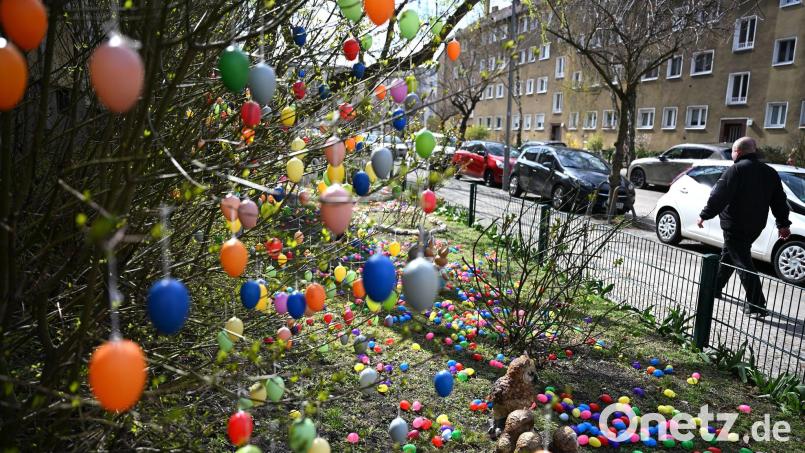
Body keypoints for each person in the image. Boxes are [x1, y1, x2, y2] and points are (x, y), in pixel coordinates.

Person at [697, 137, 791, 317]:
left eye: (732, 151)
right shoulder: (770, 172)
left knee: (742, 262)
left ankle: (757, 305)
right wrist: (783, 224)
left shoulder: (736, 169)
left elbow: (719, 195)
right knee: (730, 255)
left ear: (737, 152)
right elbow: (779, 201)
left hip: (734, 225)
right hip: (756, 226)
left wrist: (704, 215)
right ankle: (714, 287)